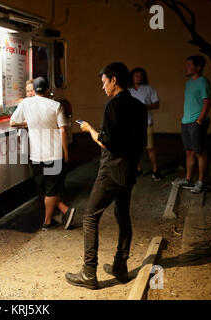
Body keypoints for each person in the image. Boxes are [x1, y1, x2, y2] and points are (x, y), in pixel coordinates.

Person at [65, 62, 147, 289]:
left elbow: (105, 142)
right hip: (130, 170)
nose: (102, 87)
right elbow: (142, 142)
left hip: (111, 170)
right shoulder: (140, 107)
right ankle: (120, 266)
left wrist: (90, 129)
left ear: (114, 80)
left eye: (104, 82)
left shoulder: (112, 107)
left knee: (91, 217)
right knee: (123, 216)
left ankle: (88, 273)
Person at [10, 77, 75, 231]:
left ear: (35, 89)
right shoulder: (56, 106)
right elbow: (63, 130)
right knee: (51, 188)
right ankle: (49, 221)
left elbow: (12, 122)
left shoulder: (25, 103)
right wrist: (66, 151)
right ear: (47, 90)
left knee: (44, 188)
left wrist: (28, 123)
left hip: (36, 155)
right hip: (53, 154)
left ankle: (62, 212)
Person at [172, 56, 211, 194]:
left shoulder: (203, 82)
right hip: (186, 122)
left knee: (199, 152)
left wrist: (199, 121)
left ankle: (201, 181)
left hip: (197, 122)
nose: (186, 67)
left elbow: (207, 103)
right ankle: (188, 180)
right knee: (189, 151)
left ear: (198, 68)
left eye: (189, 65)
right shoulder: (189, 83)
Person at [129, 67, 162, 181]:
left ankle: (155, 170)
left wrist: (144, 106)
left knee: (150, 148)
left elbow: (157, 104)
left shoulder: (149, 89)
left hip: (146, 122)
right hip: (132, 124)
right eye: (136, 75)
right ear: (132, 77)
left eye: (141, 76)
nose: (139, 78)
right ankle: (138, 169)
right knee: (135, 148)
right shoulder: (128, 90)